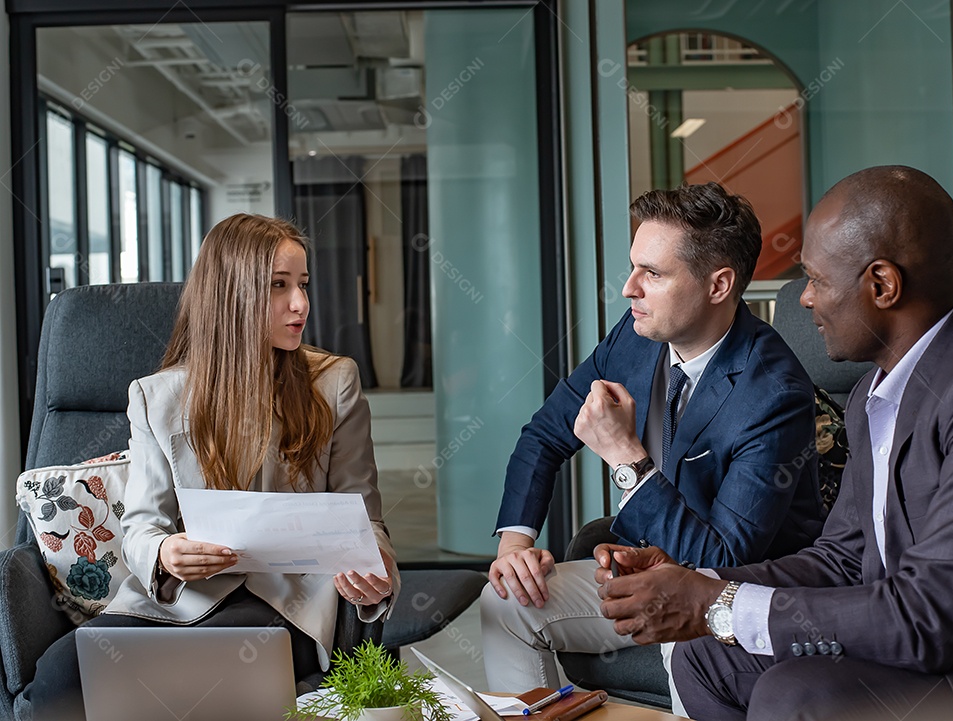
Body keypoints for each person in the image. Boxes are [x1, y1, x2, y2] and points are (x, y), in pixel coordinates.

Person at [593, 166, 953, 720]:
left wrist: (717, 606)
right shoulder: (876, 389)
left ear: (881, 285)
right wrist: (694, 584)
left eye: (816, 281)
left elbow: (938, 613)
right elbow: (844, 558)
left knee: (796, 692)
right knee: (705, 657)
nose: (804, 301)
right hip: (921, 644)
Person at [26, 214, 400, 720]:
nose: (301, 305)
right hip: (180, 600)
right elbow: (143, 525)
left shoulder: (335, 383)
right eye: (279, 286)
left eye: (303, 285)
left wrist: (374, 569)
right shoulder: (156, 397)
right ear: (232, 294)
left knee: (219, 666)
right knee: (59, 675)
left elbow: (366, 517)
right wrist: (166, 553)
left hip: (285, 601)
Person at [481, 182, 825, 699]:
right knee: (504, 602)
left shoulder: (773, 393)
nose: (629, 288)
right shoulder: (636, 335)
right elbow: (543, 436)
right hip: (642, 568)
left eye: (653, 274)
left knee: (684, 648)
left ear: (718, 285)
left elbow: (723, 557)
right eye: (633, 266)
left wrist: (624, 456)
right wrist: (515, 546)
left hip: (727, 597)